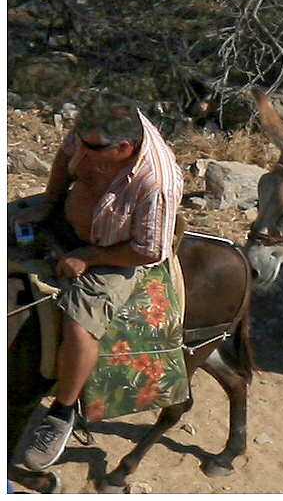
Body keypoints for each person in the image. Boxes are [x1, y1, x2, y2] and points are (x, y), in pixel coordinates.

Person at [10, 92, 184, 472]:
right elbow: (63, 157)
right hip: (70, 220)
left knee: (79, 319)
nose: (80, 151)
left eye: (90, 148)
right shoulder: (95, 134)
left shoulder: (158, 181)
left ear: (123, 148)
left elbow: (149, 250)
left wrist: (89, 257)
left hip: (116, 252)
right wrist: (50, 203)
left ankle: (62, 412)